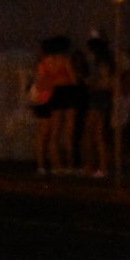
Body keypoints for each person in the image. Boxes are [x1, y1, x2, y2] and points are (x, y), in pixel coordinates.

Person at [30, 35, 77, 176]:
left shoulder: (44, 63)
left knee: (54, 133)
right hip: (67, 93)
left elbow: (40, 82)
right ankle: (68, 165)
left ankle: (56, 166)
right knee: (68, 132)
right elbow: (73, 79)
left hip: (54, 94)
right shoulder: (64, 60)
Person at [80, 35, 114, 178]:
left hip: (100, 99)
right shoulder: (97, 62)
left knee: (97, 134)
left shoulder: (103, 63)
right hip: (96, 98)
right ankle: (91, 166)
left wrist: (90, 83)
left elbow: (106, 83)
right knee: (90, 133)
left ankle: (102, 167)